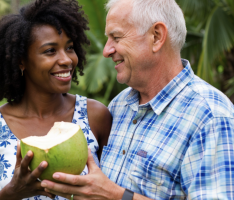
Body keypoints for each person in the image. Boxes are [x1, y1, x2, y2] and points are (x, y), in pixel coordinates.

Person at [40, 0, 234, 199]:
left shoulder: (211, 116)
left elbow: (108, 193)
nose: (107, 50)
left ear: (156, 37)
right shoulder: (119, 105)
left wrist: (116, 196)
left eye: (116, 37)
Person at [0, 0, 112, 199]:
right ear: (21, 61)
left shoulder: (96, 116)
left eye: (69, 47)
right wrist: (11, 193)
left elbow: (115, 190)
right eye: (50, 51)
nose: (67, 59)